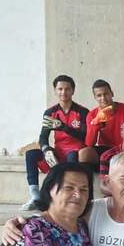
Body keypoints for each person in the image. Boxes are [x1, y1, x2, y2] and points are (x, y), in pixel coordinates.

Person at [22, 75, 89, 210]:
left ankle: (66, 196)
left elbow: (84, 136)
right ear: (54, 90)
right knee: (31, 154)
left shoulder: (82, 111)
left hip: (75, 149)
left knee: (72, 158)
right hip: (58, 151)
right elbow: (43, 137)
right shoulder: (50, 112)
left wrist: (63, 127)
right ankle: (35, 196)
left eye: (67, 89)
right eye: (60, 89)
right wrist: (47, 150)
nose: (63, 92)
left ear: (73, 91)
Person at [79, 79, 124, 165]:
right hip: (105, 149)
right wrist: (96, 123)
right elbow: (89, 143)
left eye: (105, 94)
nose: (103, 98)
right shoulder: (92, 114)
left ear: (111, 94)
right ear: (95, 98)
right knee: (84, 153)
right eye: (99, 95)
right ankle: (86, 178)